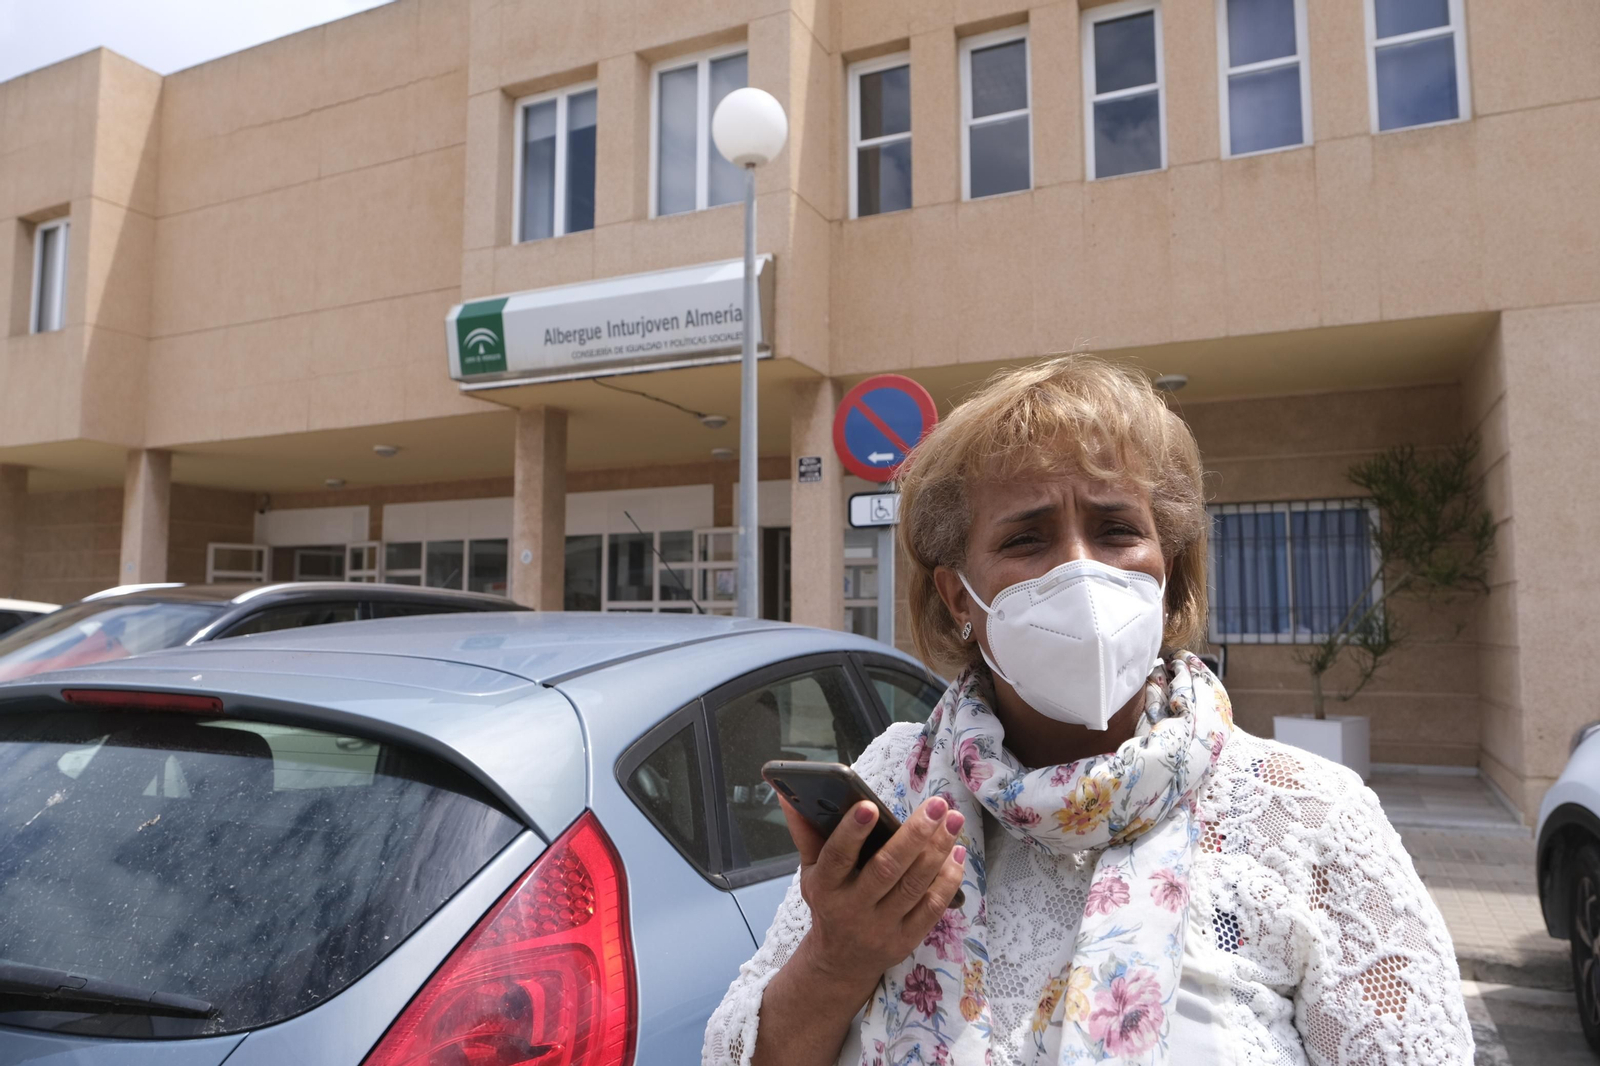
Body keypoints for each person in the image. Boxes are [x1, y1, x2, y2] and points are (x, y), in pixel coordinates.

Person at [704, 356, 1472, 1066]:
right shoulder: (898, 790)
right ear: (957, 596)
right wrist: (838, 959)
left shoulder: (1305, 817)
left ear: (1168, 571)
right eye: (1027, 539)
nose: (1080, 569)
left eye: (1116, 530)